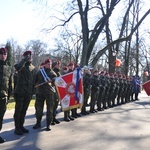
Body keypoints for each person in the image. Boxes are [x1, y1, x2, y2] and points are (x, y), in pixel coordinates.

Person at [13, 50, 37, 135]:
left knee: (24, 110)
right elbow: (18, 67)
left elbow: (34, 80)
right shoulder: (21, 65)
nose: (30, 57)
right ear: (25, 56)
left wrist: (33, 91)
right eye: (28, 56)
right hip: (20, 92)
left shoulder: (33, 68)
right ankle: (17, 128)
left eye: (30, 56)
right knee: (18, 110)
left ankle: (21, 125)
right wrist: (24, 60)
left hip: (28, 92)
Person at [33, 59, 57, 131]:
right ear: (45, 64)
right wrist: (36, 86)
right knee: (39, 108)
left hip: (49, 93)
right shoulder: (40, 72)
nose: (49, 65)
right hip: (40, 93)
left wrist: (52, 82)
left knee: (49, 109)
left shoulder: (53, 74)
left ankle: (48, 124)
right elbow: (35, 81)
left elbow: (56, 84)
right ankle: (38, 123)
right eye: (48, 63)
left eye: (50, 63)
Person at [0, 47, 12, 143]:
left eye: (5, 54)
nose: (3, 56)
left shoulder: (8, 68)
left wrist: (9, 97)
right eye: (1, 54)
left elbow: (10, 84)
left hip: (4, 97)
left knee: (0, 118)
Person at [51, 60, 61, 125]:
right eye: (58, 64)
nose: (59, 65)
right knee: (52, 106)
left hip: (57, 91)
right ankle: (51, 119)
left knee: (56, 105)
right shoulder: (53, 72)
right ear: (55, 65)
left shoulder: (58, 73)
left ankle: (54, 118)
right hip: (53, 91)